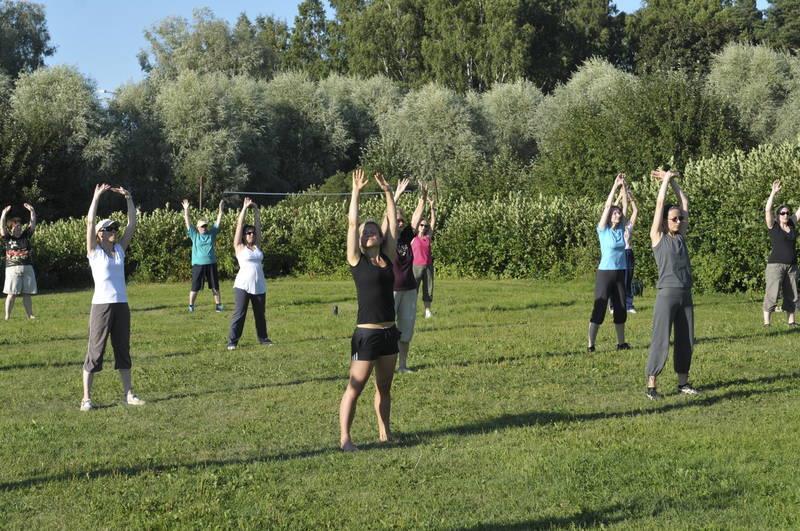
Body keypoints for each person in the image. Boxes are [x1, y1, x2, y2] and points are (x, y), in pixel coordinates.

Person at [339, 168, 399, 451]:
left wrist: (388, 192)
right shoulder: (356, 260)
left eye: (374, 229)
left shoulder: (387, 257)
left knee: (384, 387)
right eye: (367, 231)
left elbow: (393, 223)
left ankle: (384, 432)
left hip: (389, 333)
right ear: (361, 241)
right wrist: (356, 192)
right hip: (367, 334)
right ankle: (345, 439)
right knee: (356, 386)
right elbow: (352, 224)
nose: (370, 232)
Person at [82, 183, 145, 411]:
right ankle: (86, 399)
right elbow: (89, 222)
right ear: (99, 235)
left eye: (113, 229)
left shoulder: (119, 250)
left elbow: (132, 224)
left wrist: (128, 198)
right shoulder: (94, 252)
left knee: (122, 350)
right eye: (108, 229)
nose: (113, 231)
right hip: (101, 306)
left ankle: (129, 394)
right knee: (96, 352)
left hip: (121, 306)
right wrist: (96, 196)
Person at [645, 169, 699, 400]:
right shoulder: (658, 237)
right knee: (661, 338)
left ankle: (683, 383)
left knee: (686, 338)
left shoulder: (681, 236)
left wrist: (674, 182)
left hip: (685, 293)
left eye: (681, 218)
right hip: (667, 294)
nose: (679, 221)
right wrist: (665, 182)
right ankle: (651, 385)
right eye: (674, 218)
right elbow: (659, 205)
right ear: (666, 222)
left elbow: (684, 202)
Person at [384, 178, 425, 373]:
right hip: (391, 290)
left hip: (409, 289)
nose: (400, 223)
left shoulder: (406, 237)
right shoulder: (386, 239)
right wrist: (396, 195)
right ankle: (386, 366)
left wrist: (422, 199)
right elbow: (386, 221)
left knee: (406, 330)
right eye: (397, 220)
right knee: (388, 329)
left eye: (402, 220)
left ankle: (402, 366)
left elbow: (416, 220)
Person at [588, 174, 630, 352]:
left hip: (620, 272)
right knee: (600, 307)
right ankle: (591, 345)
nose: (617, 214)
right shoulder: (603, 230)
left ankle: (621, 343)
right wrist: (614, 185)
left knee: (621, 308)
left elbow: (626, 206)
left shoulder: (621, 228)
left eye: (618, 213)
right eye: (614, 212)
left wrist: (624, 188)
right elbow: (607, 206)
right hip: (605, 273)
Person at [227, 197, 271, 349]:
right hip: (243, 286)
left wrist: (256, 210)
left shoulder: (257, 246)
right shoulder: (239, 247)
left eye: (252, 233)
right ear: (244, 236)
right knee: (240, 314)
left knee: (260, 315)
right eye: (248, 233)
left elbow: (258, 226)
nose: (251, 234)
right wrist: (245, 208)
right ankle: (232, 342)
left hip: (259, 285)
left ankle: (263, 338)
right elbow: (239, 225)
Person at [762, 180, 799, 327]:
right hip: (775, 265)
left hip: (792, 266)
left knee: (792, 295)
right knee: (772, 293)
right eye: (783, 213)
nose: (786, 215)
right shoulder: (773, 226)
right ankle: (767, 323)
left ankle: (791, 321)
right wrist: (773, 193)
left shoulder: (791, 224)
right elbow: (767, 210)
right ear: (778, 215)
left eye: (787, 213)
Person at [182, 199, 224, 313]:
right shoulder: (194, 235)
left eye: (205, 226)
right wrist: (186, 209)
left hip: (211, 264)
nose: (204, 227)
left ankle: (218, 305)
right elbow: (187, 221)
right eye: (202, 226)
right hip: (198, 265)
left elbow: (218, 220)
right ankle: (191, 305)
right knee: (195, 287)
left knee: (215, 286)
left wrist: (220, 210)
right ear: (198, 228)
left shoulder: (212, 234)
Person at [1, 203, 37, 320]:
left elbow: (32, 225)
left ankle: (30, 315)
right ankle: (7, 316)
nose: (18, 228)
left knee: (27, 293)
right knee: (11, 294)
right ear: (11, 229)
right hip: (12, 268)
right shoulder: (8, 238)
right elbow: (2, 227)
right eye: (16, 227)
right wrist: (3, 214)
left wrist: (32, 211)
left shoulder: (26, 236)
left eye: (20, 227)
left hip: (27, 267)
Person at [412, 193, 436, 319]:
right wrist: (422, 202)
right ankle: (411, 310)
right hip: (415, 267)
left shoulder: (428, 237)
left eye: (425, 226)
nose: (423, 227)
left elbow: (433, 221)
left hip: (428, 267)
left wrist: (432, 207)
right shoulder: (412, 238)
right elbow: (415, 220)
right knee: (413, 290)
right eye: (421, 225)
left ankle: (427, 311)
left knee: (428, 289)